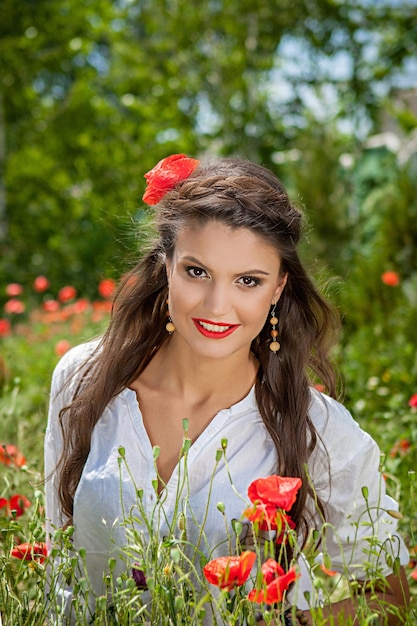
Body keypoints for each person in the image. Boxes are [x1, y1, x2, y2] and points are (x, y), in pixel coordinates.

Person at [45, 153, 410, 625]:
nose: (218, 306)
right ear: (166, 266)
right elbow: (58, 557)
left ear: (277, 288)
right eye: (197, 272)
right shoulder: (83, 377)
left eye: (248, 281)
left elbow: (390, 596)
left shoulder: (316, 428)